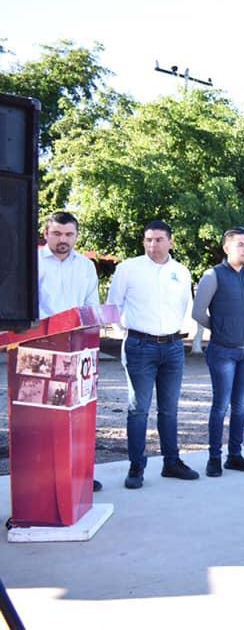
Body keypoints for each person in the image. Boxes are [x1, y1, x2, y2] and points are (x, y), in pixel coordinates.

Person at [106, 220, 198, 489]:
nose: (152, 245)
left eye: (158, 239)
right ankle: (137, 466)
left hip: (173, 347)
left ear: (171, 242)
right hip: (139, 346)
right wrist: (128, 334)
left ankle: (172, 462)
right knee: (139, 409)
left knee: (169, 409)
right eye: (148, 239)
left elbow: (185, 306)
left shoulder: (181, 272)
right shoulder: (128, 269)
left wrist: (181, 334)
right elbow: (113, 306)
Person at [37, 211, 102, 492]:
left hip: (78, 350)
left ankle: (79, 476)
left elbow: (91, 306)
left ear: (76, 236)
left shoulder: (86, 267)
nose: (62, 240)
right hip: (40, 349)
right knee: (44, 418)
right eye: (56, 234)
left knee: (78, 415)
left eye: (68, 234)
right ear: (46, 233)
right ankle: (45, 478)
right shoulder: (32, 264)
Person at [192, 227, 244, 477]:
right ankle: (214, 458)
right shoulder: (214, 275)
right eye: (240, 244)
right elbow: (198, 312)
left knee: (240, 406)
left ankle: (235, 456)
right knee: (220, 406)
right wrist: (221, 328)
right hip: (223, 352)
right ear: (227, 248)